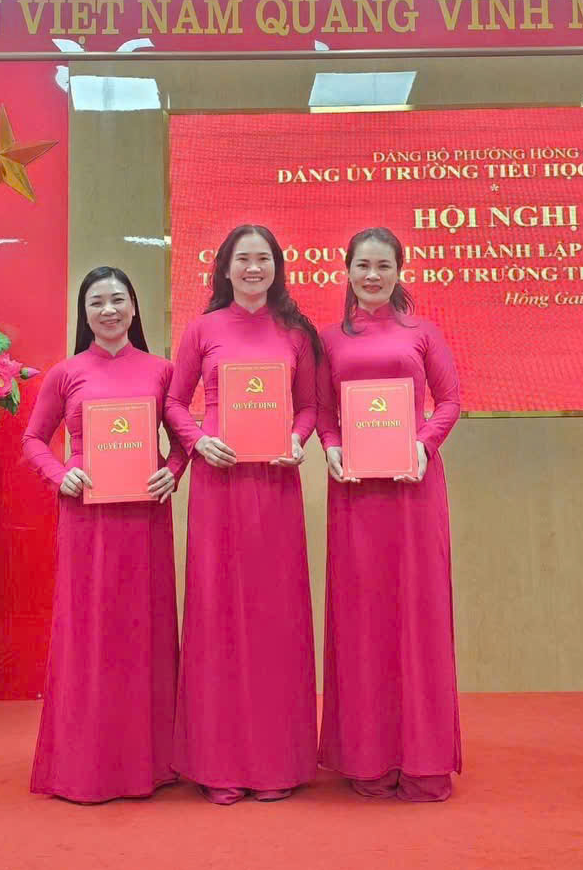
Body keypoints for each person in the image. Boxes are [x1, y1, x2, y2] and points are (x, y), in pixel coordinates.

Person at [166, 224, 320, 805]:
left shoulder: (296, 332)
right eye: (242, 258)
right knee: (218, 616)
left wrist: (298, 439)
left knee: (274, 617)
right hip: (218, 485)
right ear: (225, 268)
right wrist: (197, 441)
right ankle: (219, 765)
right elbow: (173, 402)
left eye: (263, 259)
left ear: (277, 267)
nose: (253, 268)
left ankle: (277, 763)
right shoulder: (202, 329)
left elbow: (309, 407)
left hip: (275, 487)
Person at [21, 266, 187, 803]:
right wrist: (59, 475)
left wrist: (173, 471)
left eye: (118, 300)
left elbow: (184, 438)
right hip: (87, 520)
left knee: (144, 629)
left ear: (134, 308)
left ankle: (151, 762)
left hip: (144, 520)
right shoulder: (66, 373)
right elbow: (33, 440)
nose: (109, 310)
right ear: (84, 312)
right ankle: (86, 765)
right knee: (90, 634)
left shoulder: (162, 371)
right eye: (97, 302)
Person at [315, 227, 463, 802]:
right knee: (363, 616)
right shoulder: (329, 338)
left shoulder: (424, 333)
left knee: (417, 614)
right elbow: (322, 411)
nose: (372, 276)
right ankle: (368, 758)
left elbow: (450, 401)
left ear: (399, 271)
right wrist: (331, 448)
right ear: (347, 270)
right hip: (355, 494)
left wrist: (423, 445)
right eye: (362, 266)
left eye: (382, 266)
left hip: (413, 490)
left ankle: (423, 759)